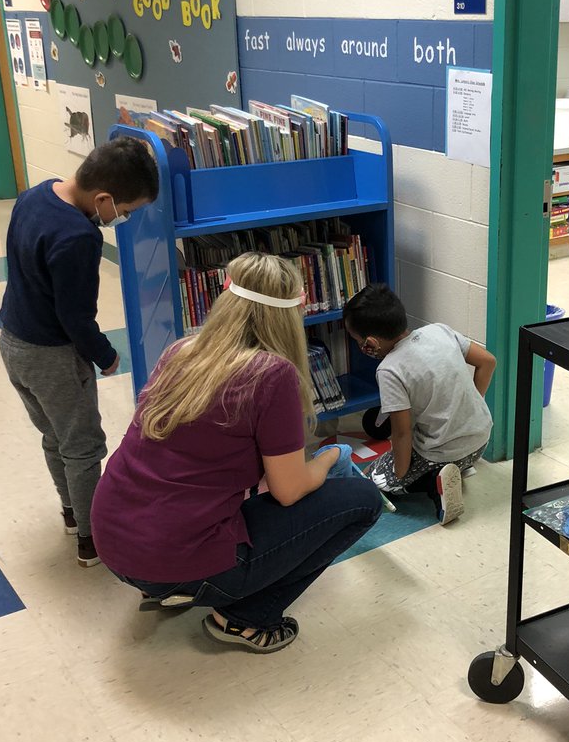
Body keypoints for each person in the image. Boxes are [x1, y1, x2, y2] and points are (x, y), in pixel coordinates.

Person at [92, 253, 382, 655]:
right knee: (363, 500)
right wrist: (331, 456)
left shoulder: (181, 351)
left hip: (113, 540)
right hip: (169, 559)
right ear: (290, 315)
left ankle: (169, 587)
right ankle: (245, 618)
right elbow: (288, 491)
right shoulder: (273, 375)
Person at [0, 137, 159, 567]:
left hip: (13, 343)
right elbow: (75, 317)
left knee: (56, 436)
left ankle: (72, 512)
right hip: (52, 357)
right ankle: (93, 540)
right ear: (103, 199)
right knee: (84, 447)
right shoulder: (79, 237)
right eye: (125, 211)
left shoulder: (35, 194)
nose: (123, 218)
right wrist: (105, 355)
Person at [343, 283, 495, 526]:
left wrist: (399, 475)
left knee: (377, 477)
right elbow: (488, 361)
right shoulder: (439, 330)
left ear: (371, 342)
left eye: (357, 340)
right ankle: (460, 467)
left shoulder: (389, 369)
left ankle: (436, 483)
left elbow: (402, 433)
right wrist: (473, 402)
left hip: (443, 453)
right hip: (481, 440)